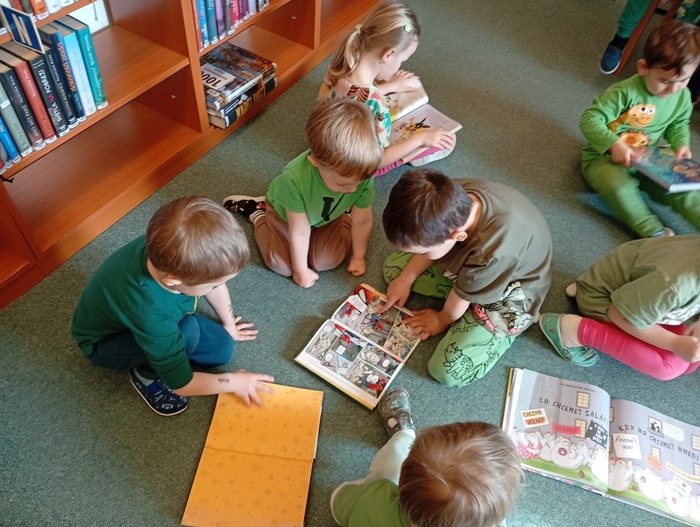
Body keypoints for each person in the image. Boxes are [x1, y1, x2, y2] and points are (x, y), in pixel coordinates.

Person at [71, 196, 275, 416]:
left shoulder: (167, 247)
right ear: (172, 280)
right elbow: (182, 384)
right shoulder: (152, 314)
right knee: (187, 332)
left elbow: (216, 286)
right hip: (107, 344)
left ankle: (174, 345)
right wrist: (232, 382)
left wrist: (229, 324)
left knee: (221, 350)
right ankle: (146, 375)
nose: (218, 286)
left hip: (153, 315)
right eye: (212, 284)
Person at [380, 168, 552, 387]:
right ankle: (466, 289)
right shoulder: (444, 196)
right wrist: (406, 278)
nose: (417, 255)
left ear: (457, 236)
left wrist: (441, 319)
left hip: (515, 290)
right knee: (394, 270)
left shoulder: (491, 252)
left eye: (423, 251)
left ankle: (502, 330)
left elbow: (460, 296)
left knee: (447, 371)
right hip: (481, 266)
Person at [224, 97, 381, 288]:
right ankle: (258, 212)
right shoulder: (294, 178)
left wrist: (358, 257)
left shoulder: (362, 172)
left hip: (328, 216)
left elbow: (362, 220)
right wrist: (300, 271)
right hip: (286, 216)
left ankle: (345, 215)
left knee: (328, 261)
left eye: (358, 182)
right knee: (281, 265)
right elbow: (299, 231)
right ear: (316, 163)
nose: (353, 190)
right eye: (342, 184)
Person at [330, 388, 522, 527]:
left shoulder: (374, 503)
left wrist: (349, 497)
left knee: (392, 456)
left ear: (403, 486)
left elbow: (337, 502)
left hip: (371, 504)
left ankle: (404, 433)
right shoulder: (487, 519)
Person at [581, 20, 700, 239]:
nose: (673, 89)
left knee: (686, 190)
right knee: (619, 188)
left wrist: (681, 145)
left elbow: (678, 124)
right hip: (603, 159)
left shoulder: (682, 95)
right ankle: (653, 232)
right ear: (643, 67)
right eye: (665, 81)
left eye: (684, 80)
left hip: (649, 159)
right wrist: (614, 144)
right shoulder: (624, 92)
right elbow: (590, 120)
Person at [319, 0, 455, 176]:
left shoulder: (340, 64)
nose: (400, 66)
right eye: (402, 60)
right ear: (389, 54)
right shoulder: (376, 104)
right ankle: (411, 154)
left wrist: (391, 86)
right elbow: (377, 160)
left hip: (323, 144)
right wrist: (420, 139)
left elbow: (355, 97)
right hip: (349, 167)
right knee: (448, 140)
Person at [539, 235, 700, 381]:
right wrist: (674, 343)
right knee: (669, 367)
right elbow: (619, 315)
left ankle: (584, 290)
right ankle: (573, 330)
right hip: (605, 302)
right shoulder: (674, 286)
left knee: (690, 361)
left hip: (635, 292)